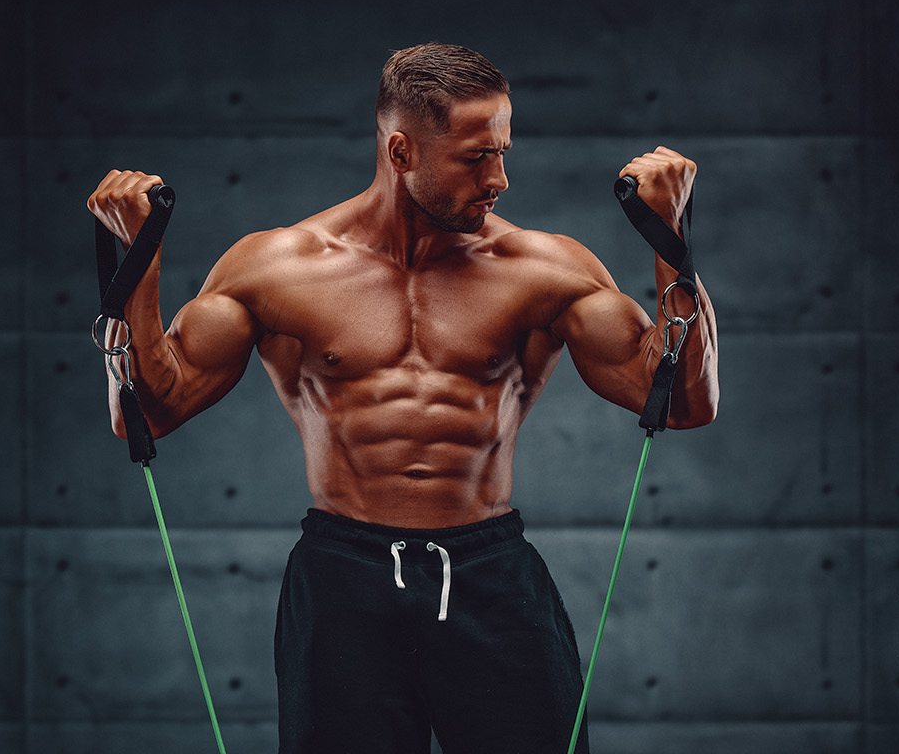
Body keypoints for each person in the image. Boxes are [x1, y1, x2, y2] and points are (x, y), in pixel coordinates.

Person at [89, 42, 717, 754]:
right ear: (401, 150)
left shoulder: (543, 269)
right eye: (477, 157)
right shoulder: (279, 267)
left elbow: (685, 402)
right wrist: (138, 265)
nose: (501, 178)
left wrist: (672, 241)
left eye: (504, 151)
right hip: (343, 575)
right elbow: (145, 412)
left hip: (489, 574)